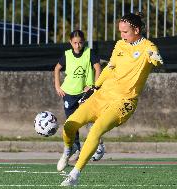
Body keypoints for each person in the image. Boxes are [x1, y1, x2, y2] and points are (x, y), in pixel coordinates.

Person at [58, 12, 164, 186]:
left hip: (124, 102)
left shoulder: (147, 46)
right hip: (102, 95)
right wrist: (95, 87)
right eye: (120, 32)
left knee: (96, 130)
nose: (122, 36)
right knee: (70, 124)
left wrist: (155, 58)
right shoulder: (120, 45)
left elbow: (156, 60)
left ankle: (74, 175)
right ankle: (69, 149)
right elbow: (110, 68)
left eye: (125, 32)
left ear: (136, 30)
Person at [54, 30, 104, 169]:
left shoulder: (89, 53)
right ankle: (75, 147)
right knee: (72, 122)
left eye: (80, 42)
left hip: (84, 93)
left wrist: (94, 86)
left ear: (84, 42)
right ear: (70, 42)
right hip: (69, 93)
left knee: (89, 119)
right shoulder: (67, 55)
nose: (77, 45)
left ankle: (98, 145)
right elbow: (57, 68)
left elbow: (98, 68)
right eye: (75, 43)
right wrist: (58, 86)